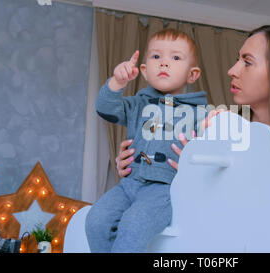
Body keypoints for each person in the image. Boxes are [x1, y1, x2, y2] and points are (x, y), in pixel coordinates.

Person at [116, 25, 270, 253]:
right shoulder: (218, 129)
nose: (232, 70)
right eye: (238, 59)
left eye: (247, 62)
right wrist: (139, 166)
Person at [85, 29, 208, 253]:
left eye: (176, 57)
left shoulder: (200, 114)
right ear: (143, 70)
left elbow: (211, 153)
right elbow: (105, 108)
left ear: (192, 75)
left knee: (133, 225)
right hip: (128, 185)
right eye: (156, 56)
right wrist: (116, 82)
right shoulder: (138, 105)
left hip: (163, 190)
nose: (163, 64)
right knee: (96, 221)